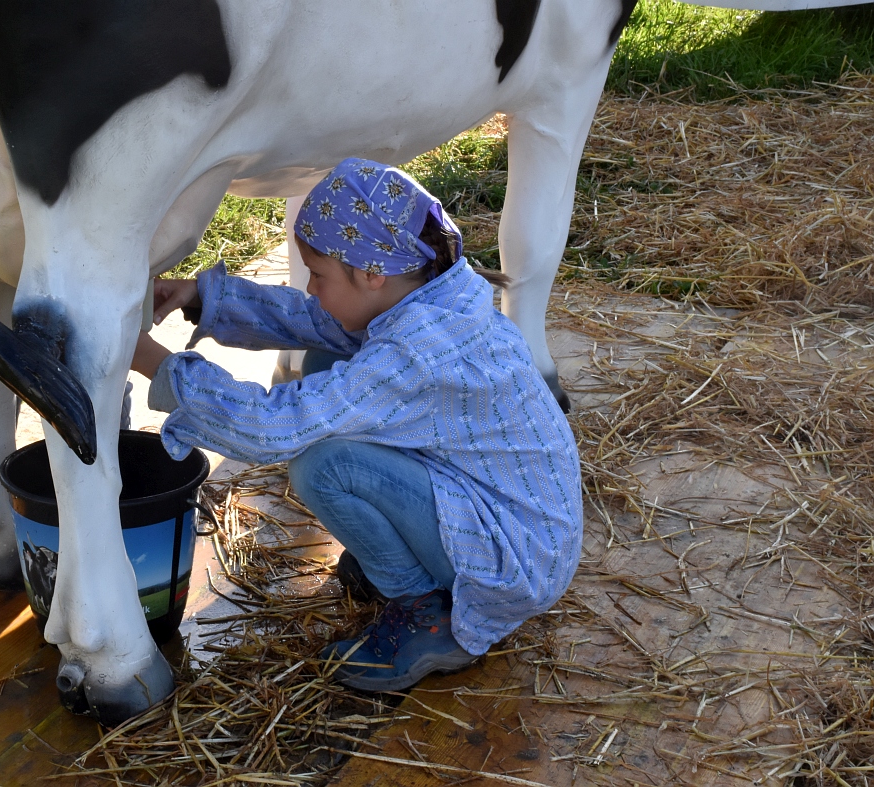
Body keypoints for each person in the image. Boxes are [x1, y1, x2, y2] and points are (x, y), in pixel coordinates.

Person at [131, 158, 582, 692]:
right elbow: (315, 318)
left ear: (371, 273)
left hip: (510, 561)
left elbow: (272, 429)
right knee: (327, 355)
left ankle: (425, 609)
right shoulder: (429, 291)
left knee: (323, 464)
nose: (313, 289)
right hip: (513, 523)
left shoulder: (416, 355)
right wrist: (203, 296)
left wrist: (158, 365)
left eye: (318, 275)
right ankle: (414, 565)